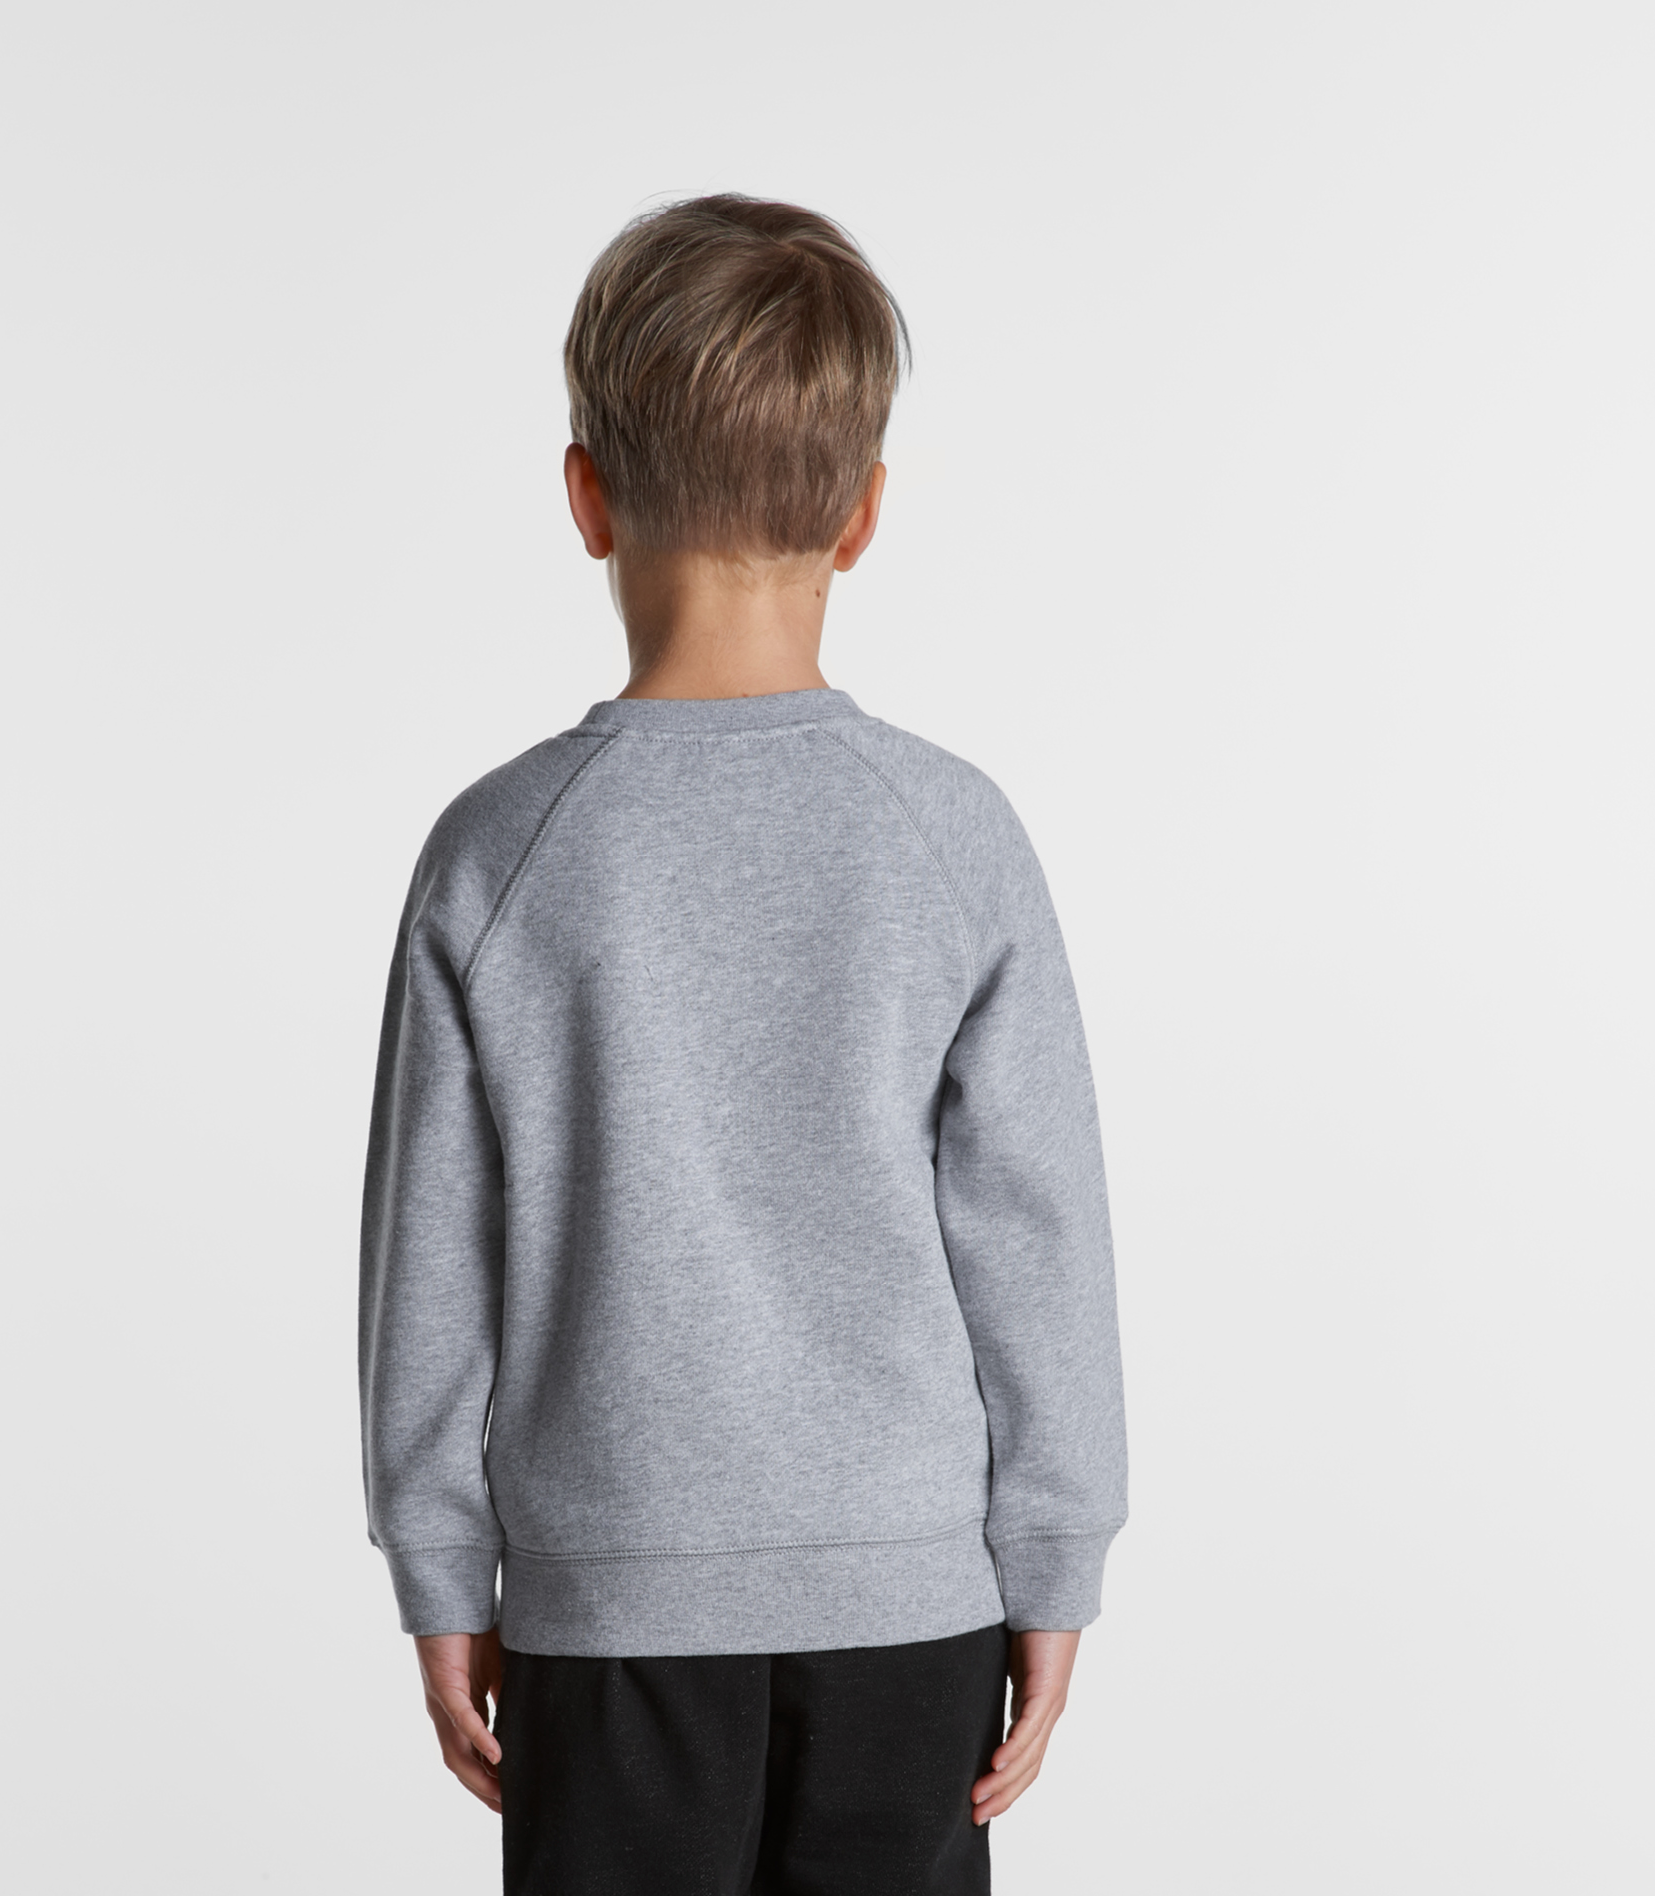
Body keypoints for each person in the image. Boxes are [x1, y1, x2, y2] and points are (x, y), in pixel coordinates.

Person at [359, 194, 1128, 1895]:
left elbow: (432, 1258)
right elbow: (1039, 1238)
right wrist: (1055, 1559)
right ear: (863, 516)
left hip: (607, 1611)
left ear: (585, 497)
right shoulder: (953, 834)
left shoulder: (498, 851)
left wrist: (440, 1569)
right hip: (912, 1610)